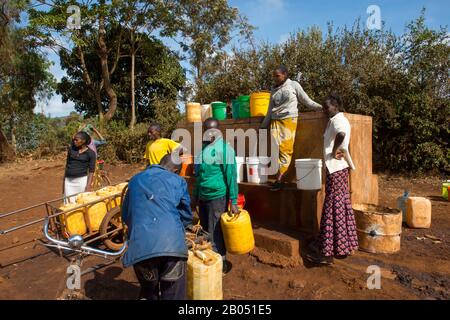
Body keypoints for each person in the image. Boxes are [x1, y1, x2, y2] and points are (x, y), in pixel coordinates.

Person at [121, 154, 193, 300]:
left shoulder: (135, 180)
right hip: (172, 247)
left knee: (148, 291)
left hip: (141, 248)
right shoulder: (178, 181)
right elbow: (186, 215)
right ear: (175, 170)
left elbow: (126, 215)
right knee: (173, 294)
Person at [305, 94, 357, 265]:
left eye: (327, 107)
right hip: (338, 169)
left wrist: (335, 149)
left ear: (335, 106)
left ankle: (327, 253)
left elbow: (341, 134)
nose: (325, 110)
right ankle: (342, 246)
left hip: (336, 168)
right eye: (324, 107)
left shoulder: (338, 121)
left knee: (332, 206)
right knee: (340, 206)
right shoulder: (335, 119)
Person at [260, 65, 322, 191]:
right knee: (276, 151)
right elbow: (269, 110)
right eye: (274, 76)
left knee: (286, 150)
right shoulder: (274, 90)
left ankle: (280, 179)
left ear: (285, 74)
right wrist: (263, 126)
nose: (275, 79)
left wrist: (321, 108)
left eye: (277, 76)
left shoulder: (293, 85)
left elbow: (306, 101)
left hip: (289, 121)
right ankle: (279, 176)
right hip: (275, 122)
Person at [192, 118, 239, 274]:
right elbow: (198, 176)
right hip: (203, 196)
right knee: (205, 230)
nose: (209, 133)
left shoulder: (226, 150)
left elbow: (231, 177)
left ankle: (222, 263)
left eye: (212, 130)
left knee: (216, 230)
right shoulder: (202, 150)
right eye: (206, 130)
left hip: (217, 197)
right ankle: (210, 259)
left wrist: (233, 201)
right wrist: (195, 197)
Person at [63, 131, 96, 203]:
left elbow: (91, 170)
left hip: (81, 181)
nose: (74, 141)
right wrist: (64, 181)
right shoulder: (71, 150)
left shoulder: (91, 153)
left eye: (76, 140)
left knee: (80, 202)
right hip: (69, 181)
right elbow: (67, 165)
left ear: (83, 141)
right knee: (68, 203)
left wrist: (88, 186)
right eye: (74, 139)